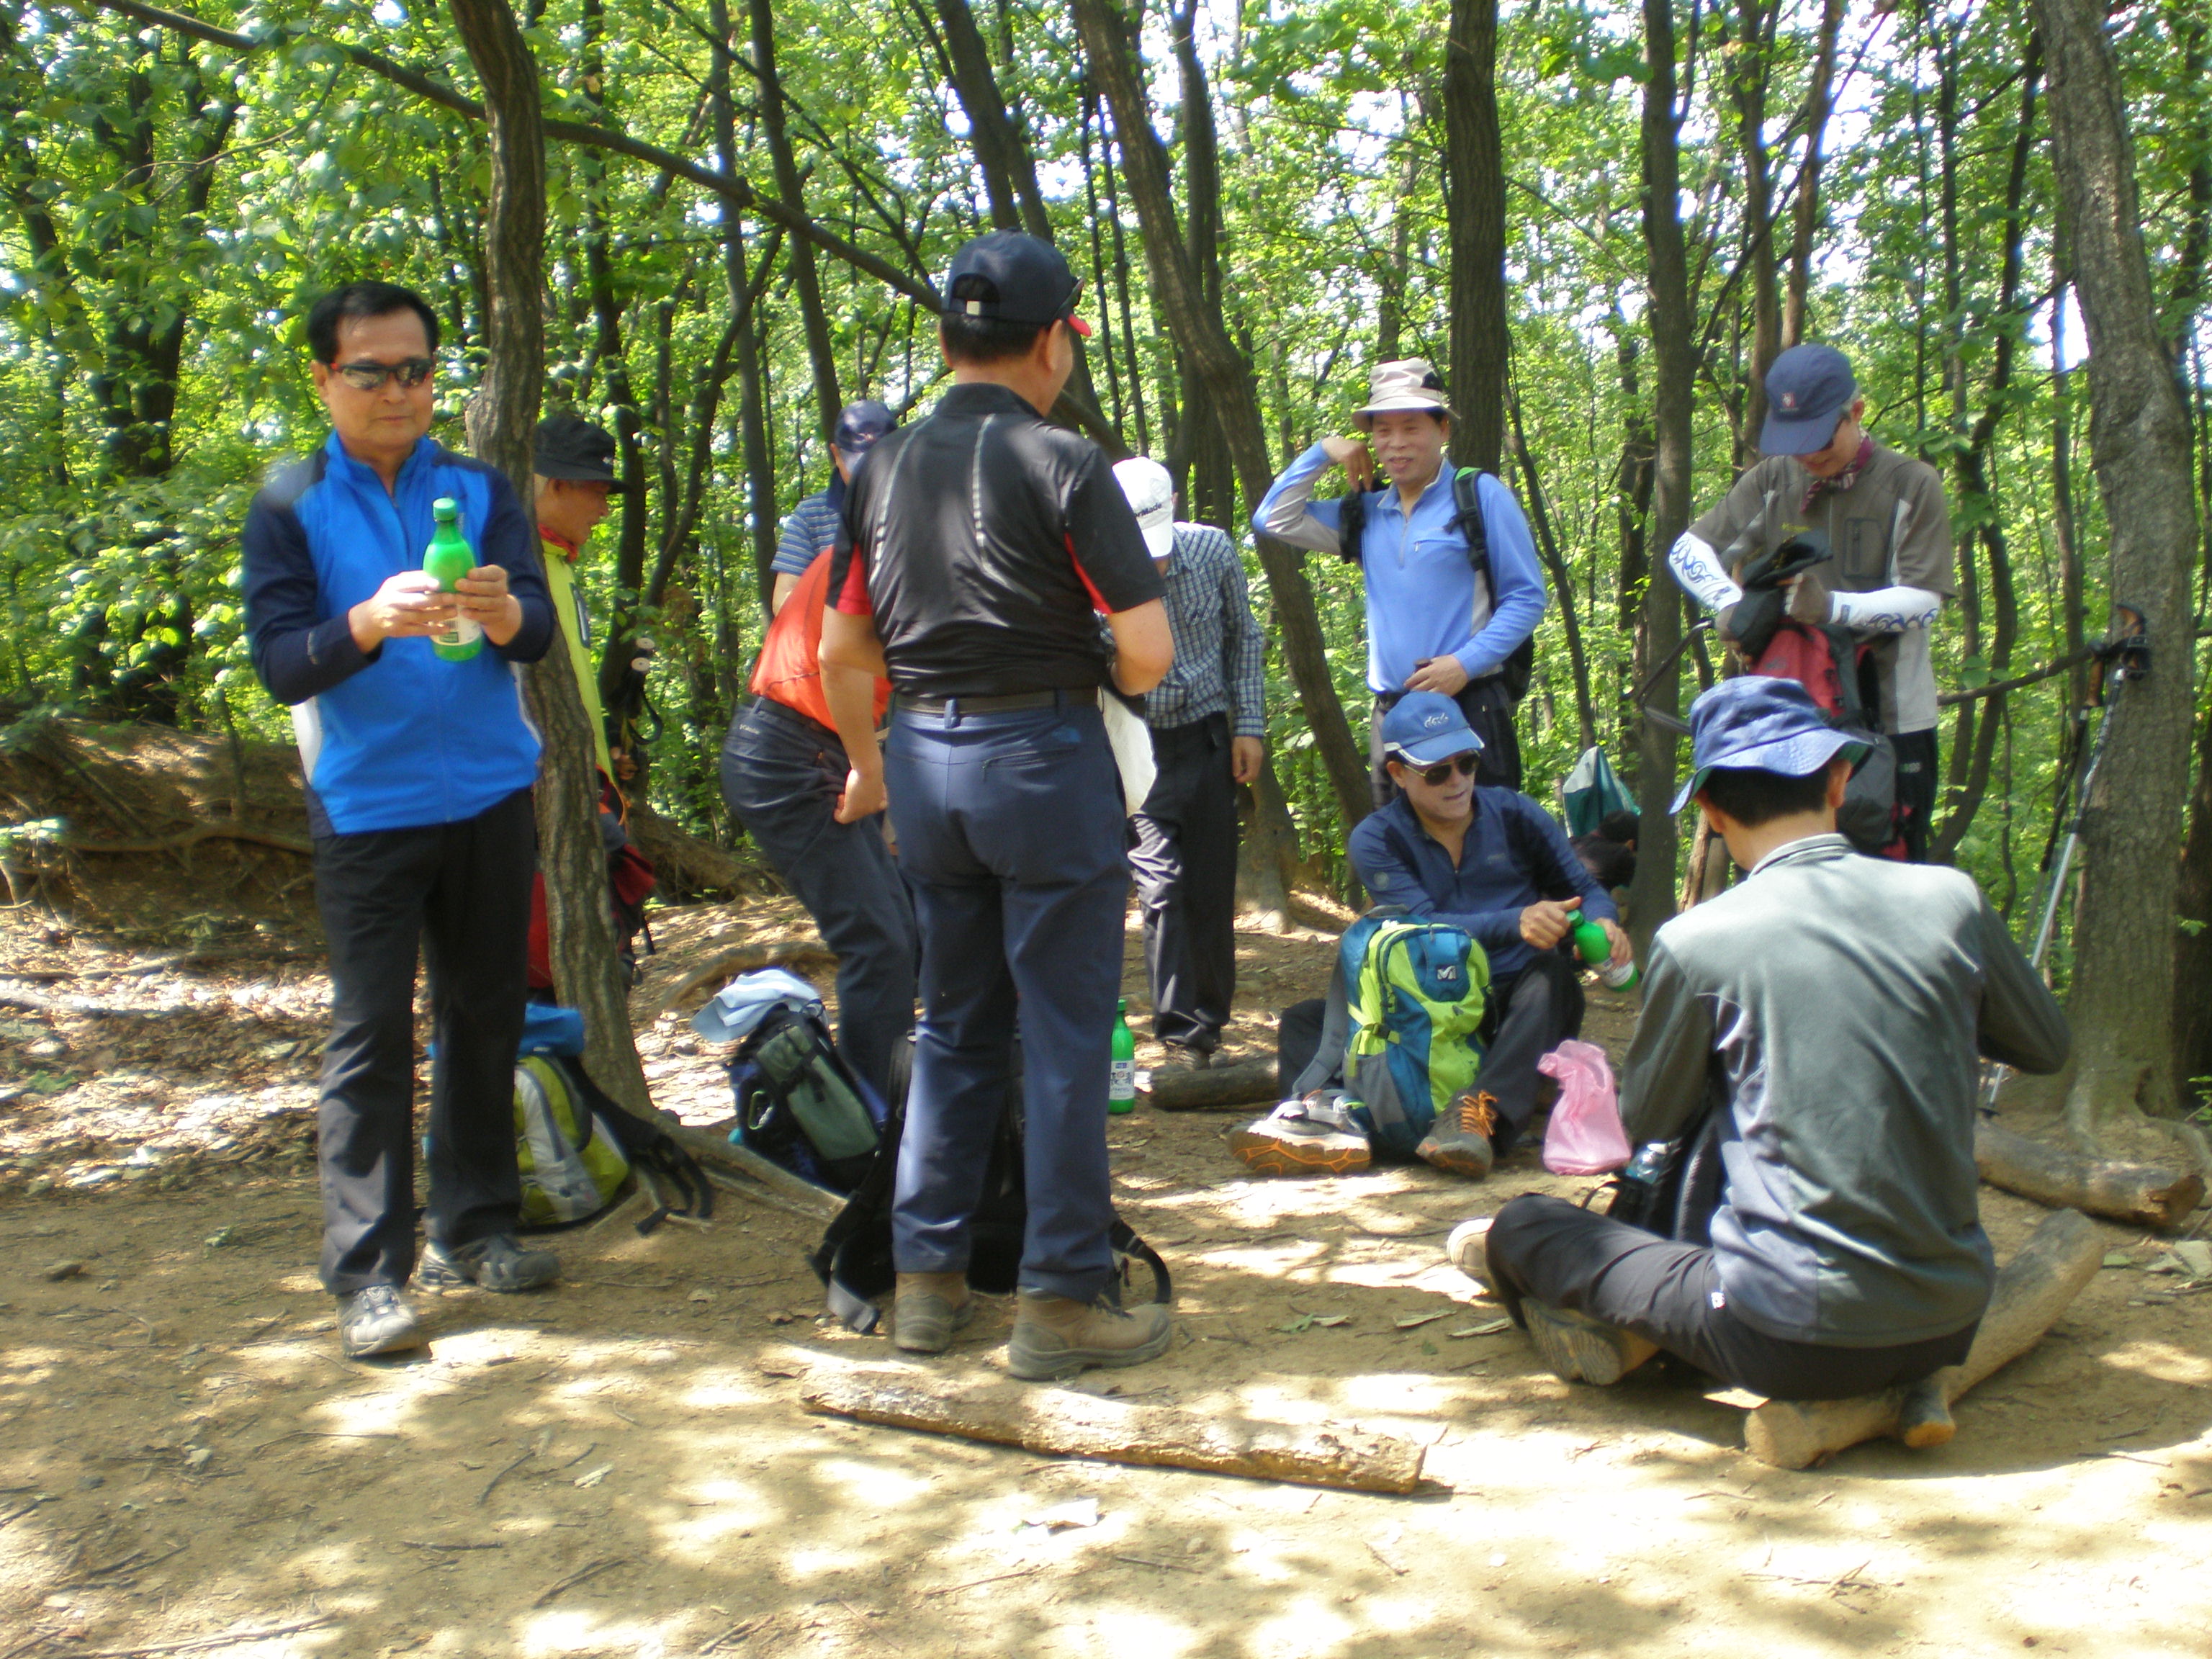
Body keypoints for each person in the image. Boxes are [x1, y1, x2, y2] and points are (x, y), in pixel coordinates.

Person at [1460, 677, 2069, 1401]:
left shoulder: (1698, 941)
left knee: (1527, 1224)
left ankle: (1599, 1317)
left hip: (1782, 1331)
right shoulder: (1951, 898)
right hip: (1952, 1316)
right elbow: (2045, 1048)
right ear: (1838, 781)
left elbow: (1647, 1121)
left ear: (1711, 812)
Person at [818, 230, 1175, 1380]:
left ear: (946, 341)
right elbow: (1150, 653)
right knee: (1064, 1036)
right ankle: (1058, 1300)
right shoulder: (1064, 461)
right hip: (1043, 758)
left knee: (954, 1024)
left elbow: (840, 651)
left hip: (926, 760)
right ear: (1054, 343)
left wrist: (872, 767)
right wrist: (1085, 664)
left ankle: (927, 1286)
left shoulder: (879, 469)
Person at [242, 282, 561, 1361]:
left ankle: (476, 1228)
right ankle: (369, 1276)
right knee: (370, 1032)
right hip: (368, 804)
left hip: (490, 791)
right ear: (325, 379)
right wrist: (370, 622)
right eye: (371, 371)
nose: (397, 391)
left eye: (416, 370)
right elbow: (283, 664)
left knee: (486, 1013)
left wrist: (506, 612)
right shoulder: (289, 502)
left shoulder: (476, 488)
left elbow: (537, 630)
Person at [1235, 692, 1627, 1180]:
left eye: (1467, 763)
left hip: (1508, 1007)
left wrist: (1604, 920)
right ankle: (1327, 1117)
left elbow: (1584, 888)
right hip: (1419, 1004)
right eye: (1437, 772)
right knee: (1306, 1021)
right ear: (1398, 773)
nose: (1458, 780)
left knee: (1553, 981)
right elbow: (1424, 929)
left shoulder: (1517, 815)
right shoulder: (1377, 838)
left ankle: (1477, 1116)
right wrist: (1517, 921)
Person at [1668, 343, 1953, 860]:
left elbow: (1925, 601)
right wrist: (1728, 601)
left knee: (1886, 869)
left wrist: (1833, 608)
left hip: (1891, 725)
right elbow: (1688, 549)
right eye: (1794, 440)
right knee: (1783, 867)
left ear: (1856, 413)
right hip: (1786, 724)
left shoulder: (1910, 484)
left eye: (1819, 439)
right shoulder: (1775, 478)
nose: (1807, 455)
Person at [719, 403, 914, 1108]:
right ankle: (866, 1122)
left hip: (816, 749)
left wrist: (876, 776)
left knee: (902, 930)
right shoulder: (874, 549)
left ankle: (891, 1100)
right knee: (879, 943)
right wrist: (868, 770)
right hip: (784, 756)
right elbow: (839, 662)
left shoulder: (890, 543)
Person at [1252, 359, 1546, 799]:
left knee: (1482, 837)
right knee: (1397, 838)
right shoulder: (1365, 513)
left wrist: (1464, 664)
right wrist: (1324, 451)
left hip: (1469, 706)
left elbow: (1526, 597)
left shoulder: (1480, 496)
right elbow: (1273, 519)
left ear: (1443, 429)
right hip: (1393, 714)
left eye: (1411, 428)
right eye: (1383, 431)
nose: (1396, 444)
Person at [1111, 457, 1266, 1069]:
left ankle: (1210, 1027)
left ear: (1174, 505)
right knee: (1162, 886)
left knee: (1208, 887)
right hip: (1139, 747)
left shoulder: (1212, 550)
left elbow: (1244, 637)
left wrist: (1248, 725)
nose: (1151, 562)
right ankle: (1178, 1034)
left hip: (1207, 740)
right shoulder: (1095, 575)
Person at [532, 413, 624, 778]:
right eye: (598, 494)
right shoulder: (505, 565)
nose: (604, 510)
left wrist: (602, 753)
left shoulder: (557, 562)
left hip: (584, 785)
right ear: (557, 486)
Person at [768, 399, 897, 617]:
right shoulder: (811, 515)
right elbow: (784, 599)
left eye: (879, 463)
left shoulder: (922, 503)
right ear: (837, 454)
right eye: (858, 467)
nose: (868, 476)